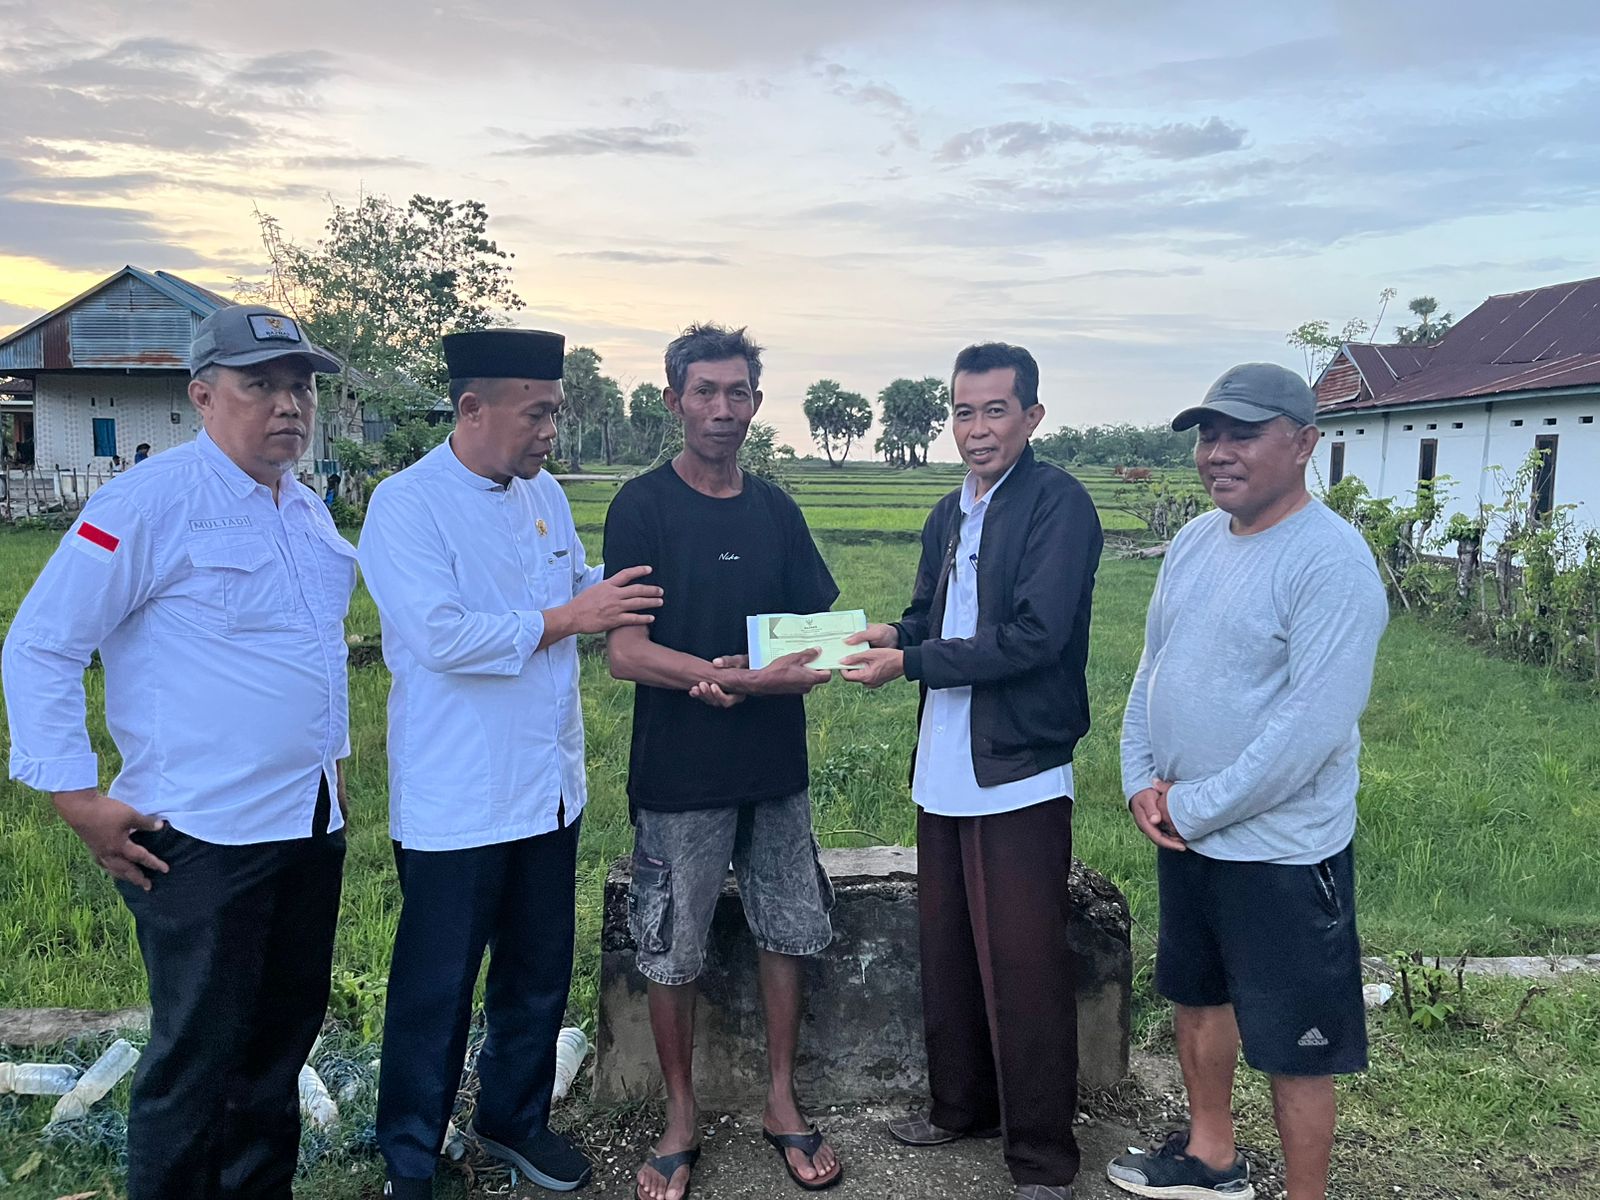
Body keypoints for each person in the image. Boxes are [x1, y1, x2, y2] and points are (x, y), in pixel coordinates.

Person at [2, 304, 354, 1200]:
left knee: (277, 1048)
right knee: (199, 1058)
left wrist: (336, 765)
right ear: (202, 396)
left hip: (307, 823)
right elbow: (41, 646)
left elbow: (313, 651)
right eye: (260, 384)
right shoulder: (150, 502)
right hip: (201, 832)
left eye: (300, 386)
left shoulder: (305, 510)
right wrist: (74, 796)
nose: (289, 405)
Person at [358, 329, 664, 1200]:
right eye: (536, 414)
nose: (550, 431)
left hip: (548, 787)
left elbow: (576, 585)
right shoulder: (406, 505)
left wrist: (645, 581)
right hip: (458, 795)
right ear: (472, 408)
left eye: (554, 413)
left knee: (536, 974)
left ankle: (513, 1118)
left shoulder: (544, 495)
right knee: (437, 987)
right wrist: (572, 617)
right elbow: (441, 636)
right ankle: (410, 1154)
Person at [1107, 363, 1389, 1200]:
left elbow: (1309, 732)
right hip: (1187, 832)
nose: (1217, 452)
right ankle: (1211, 1156)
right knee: (1198, 998)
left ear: (1303, 444)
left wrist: (1192, 806)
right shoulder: (1197, 542)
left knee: (1297, 1044)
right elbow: (1153, 667)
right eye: (1208, 434)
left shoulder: (1329, 563)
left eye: (1243, 434)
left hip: (1281, 850)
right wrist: (1138, 776)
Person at [841, 342, 1102, 1200]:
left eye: (996, 410)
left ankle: (1042, 1158)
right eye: (963, 411)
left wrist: (911, 663)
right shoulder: (950, 512)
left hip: (1017, 768)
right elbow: (931, 616)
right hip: (946, 767)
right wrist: (895, 636)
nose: (978, 428)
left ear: (1032, 416)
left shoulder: (1058, 504)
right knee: (948, 950)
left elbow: (1036, 637)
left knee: (1025, 965)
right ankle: (962, 1107)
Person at [604, 323, 843, 1200]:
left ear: (756, 403)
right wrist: (720, 677)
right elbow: (626, 651)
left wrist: (770, 669)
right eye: (704, 391)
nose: (721, 408)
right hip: (680, 772)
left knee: (789, 930)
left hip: (774, 766)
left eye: (737, 392)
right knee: (673, 945)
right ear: (674, 401)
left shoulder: (776, 509)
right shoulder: (642, 507)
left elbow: (815, 638)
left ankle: (781, 1099)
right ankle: (680, 1117)